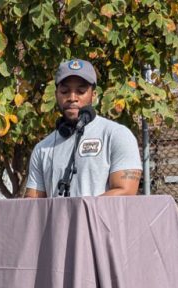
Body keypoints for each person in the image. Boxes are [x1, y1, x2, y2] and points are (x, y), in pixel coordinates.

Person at [24, 59, 142, 198]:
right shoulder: (42, 148)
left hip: (99, 220)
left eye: (80, 91)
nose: (72, 97)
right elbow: (33, 202)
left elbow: (125, 191)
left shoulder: (117, 135)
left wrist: (80, 215)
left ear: (93, 95)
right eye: (65, 91)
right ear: (56, 95)